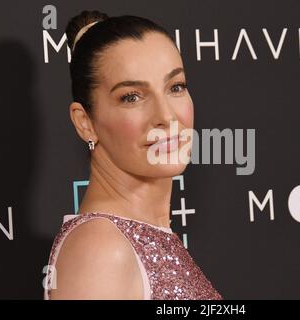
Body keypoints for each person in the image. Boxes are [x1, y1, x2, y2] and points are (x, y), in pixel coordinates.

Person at [43, 10, 222, 300]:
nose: (166, 116)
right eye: (131, 97)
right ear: (85, 122)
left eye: (175, 87)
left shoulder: (142, 238)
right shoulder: (101, 251)